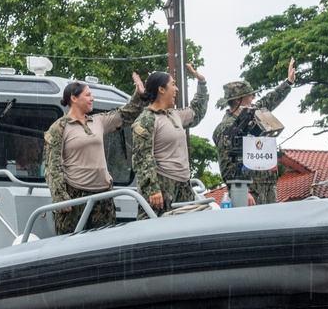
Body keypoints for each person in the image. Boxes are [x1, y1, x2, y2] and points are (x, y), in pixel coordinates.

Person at [44, 73, 145, 235]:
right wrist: (60, 196)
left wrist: (139, 95)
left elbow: (125, 114)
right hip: (75, 197)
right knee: (72, 246)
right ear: (74, 99)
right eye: (88, 95)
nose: (92, 99)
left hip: (103, 196)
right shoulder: (58, 128)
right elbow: (52, 165)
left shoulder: (97, 121)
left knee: (105, 243)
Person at [213, 57, 296, 206]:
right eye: (250, 95)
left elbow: (269, 100)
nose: (253, 97)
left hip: (268, 188)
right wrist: (241, 191)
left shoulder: (252, 115)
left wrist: (288, 83)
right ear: (239, 99)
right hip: (249, 193)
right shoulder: (226, 128)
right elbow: (227, 165)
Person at [132, 64, 208, 219]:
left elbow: (197, 112)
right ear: (161, 89)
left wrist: (202, 84)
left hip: (183, 185)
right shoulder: (146, 120)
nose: (176, 89)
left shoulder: (175, 115)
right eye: (173, 85)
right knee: (157, 234)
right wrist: (152, 188)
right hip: (162, 186)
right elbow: (142, 158)